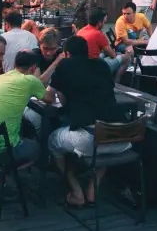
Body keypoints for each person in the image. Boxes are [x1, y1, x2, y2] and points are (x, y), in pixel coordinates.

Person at [45, 36, 131, 207]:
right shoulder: (102, 65)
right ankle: (93, 188)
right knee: (102, 146)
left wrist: (63, 94)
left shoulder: (64, 65)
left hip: (91, 138)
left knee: (53, 140)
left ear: (67, 53)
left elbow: (49, 97)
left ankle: (75, 189)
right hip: (122, 138)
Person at [77, 7, 129, 78]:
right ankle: (115, 83)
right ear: (99, 23)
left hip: (81, 66)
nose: (104, 24)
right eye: (104, 22)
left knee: (106, 54)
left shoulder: (81, 31)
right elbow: (112, 55)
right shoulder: (98, 34)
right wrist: (112, 52)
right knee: (126, 57)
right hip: (94, 68)